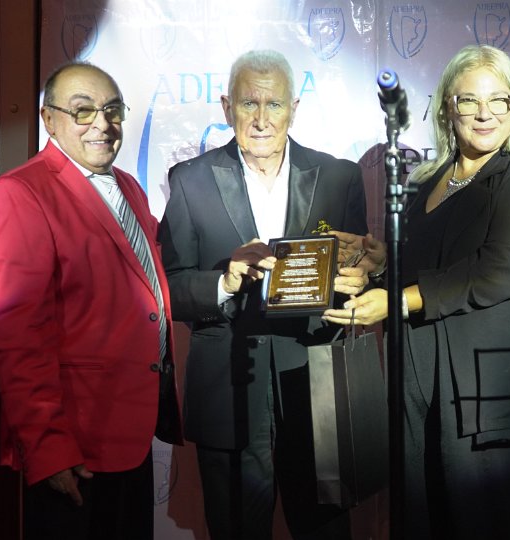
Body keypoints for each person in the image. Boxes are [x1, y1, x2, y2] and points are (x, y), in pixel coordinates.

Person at [323, 44, 510, 539]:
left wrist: (396, 301)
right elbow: (430, 269)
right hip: (425, 390)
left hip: (498, 393)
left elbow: (495, 272)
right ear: (446, 108)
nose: (485, 113)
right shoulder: (429, 181)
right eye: (469, 100)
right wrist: (381, 264)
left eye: (498, 99)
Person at [158, 50, 369, 540]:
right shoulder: (189, 180)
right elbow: (171, 289)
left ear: (294, 108)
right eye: (248, 103)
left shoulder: (339, 177)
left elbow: (360, 273)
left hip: (316, 384)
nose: (261, 118)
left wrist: (362, 280)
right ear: (226, 106)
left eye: (273, 104)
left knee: (326, 531)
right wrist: (225, 282)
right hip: (228, 386)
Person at [0, 62, 182, 540]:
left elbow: (149, 281)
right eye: (83, 110)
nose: (102, 124)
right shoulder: (20, 193)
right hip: (74, 443)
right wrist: (48, 449)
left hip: (130, 430)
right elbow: (17, 340)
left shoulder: (128, 186)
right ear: (49, 120)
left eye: (112, 110)